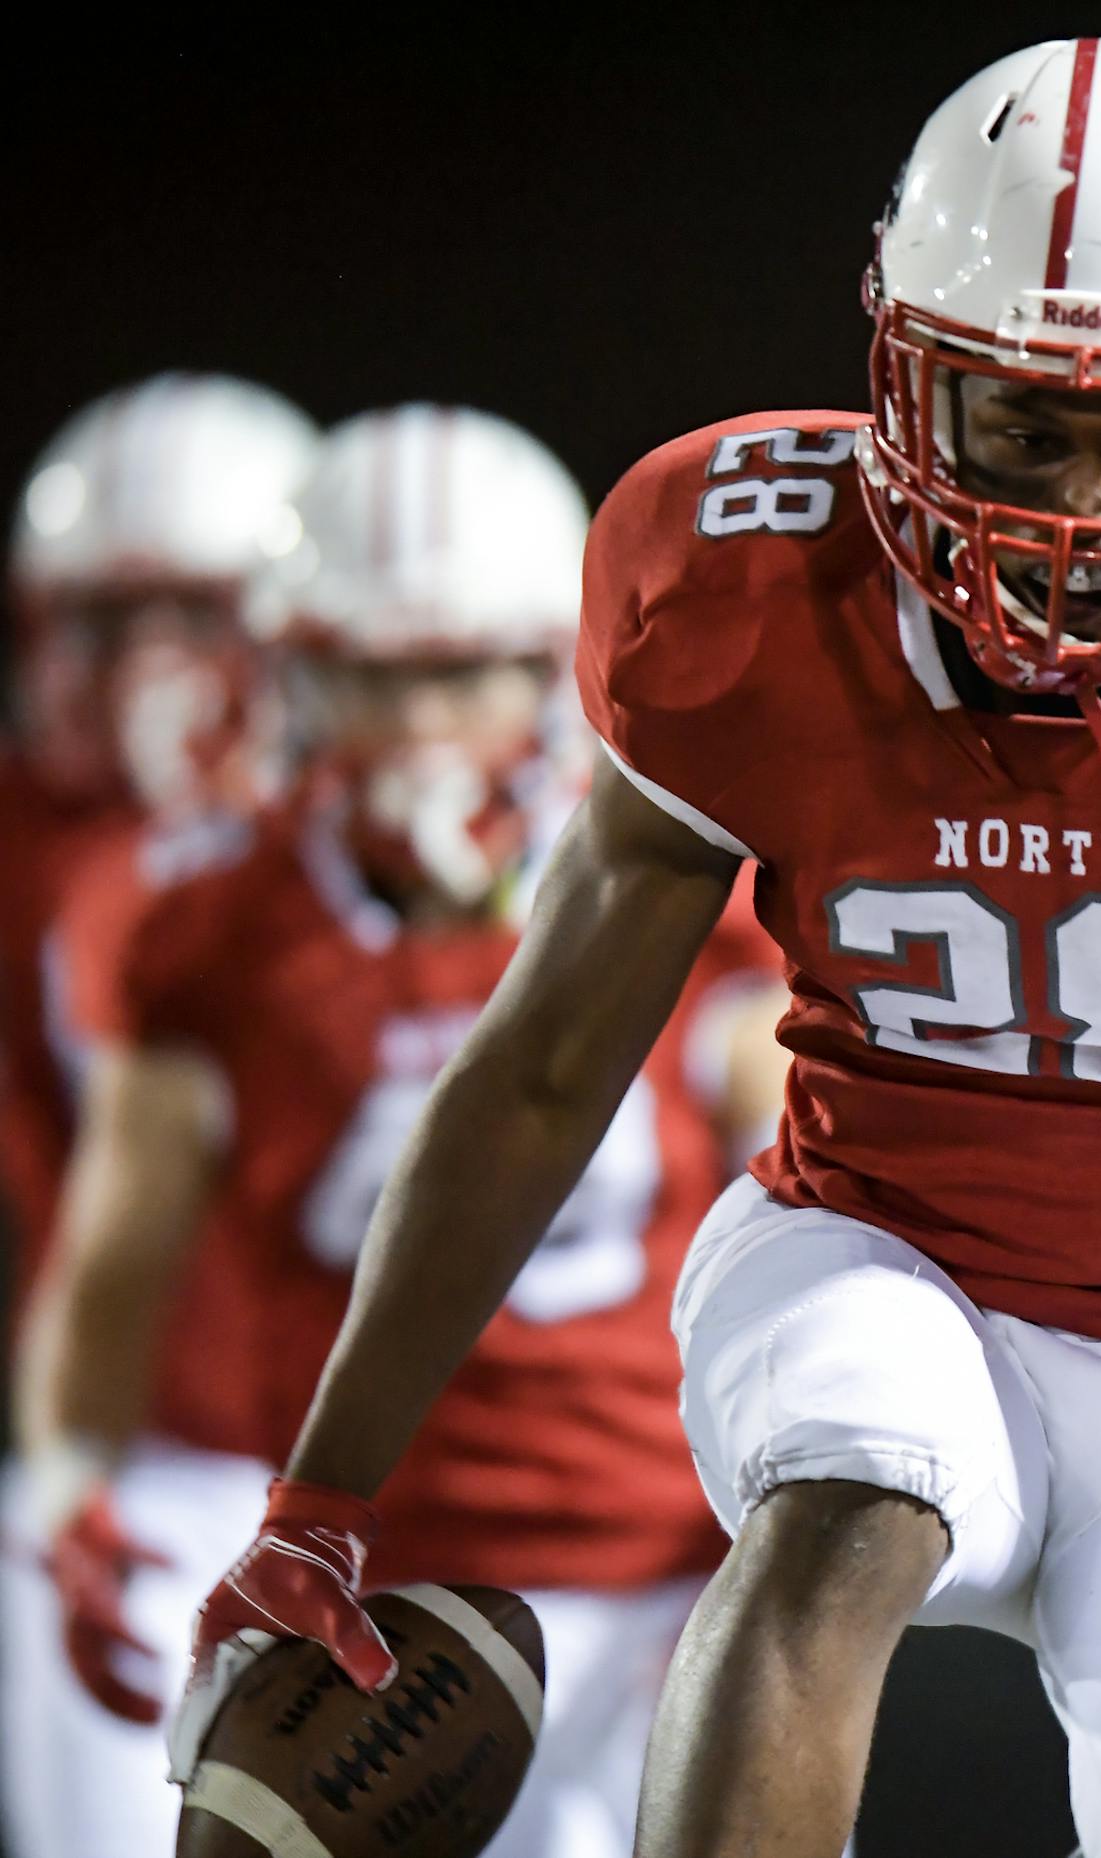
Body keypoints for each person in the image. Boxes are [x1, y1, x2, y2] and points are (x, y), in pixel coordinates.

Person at [170, 42, 1101, 1858]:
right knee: (851, 1487)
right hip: (875, 1253)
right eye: (1022, 423)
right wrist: (325, 1491)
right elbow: (540, 1064)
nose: (1082, 508)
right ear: (899, 372)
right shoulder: (744, 594)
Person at [13, 405, 788, 1857]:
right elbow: (116, 1247)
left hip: (660, 1566)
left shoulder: (683, 884)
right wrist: (72, 1477)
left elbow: (806, 1196)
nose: (430, 729)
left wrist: (786, 1535)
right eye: (378, 678)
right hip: (370, 1586)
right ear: (297, 673)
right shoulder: (213, 919)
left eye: (473, 671)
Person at [0, 373, 319, 1857]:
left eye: (189, 618)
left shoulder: (436, 849)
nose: (147, 674)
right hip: (139, 1451)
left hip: (431, 1470)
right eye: (105, 624)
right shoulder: (41, 856)